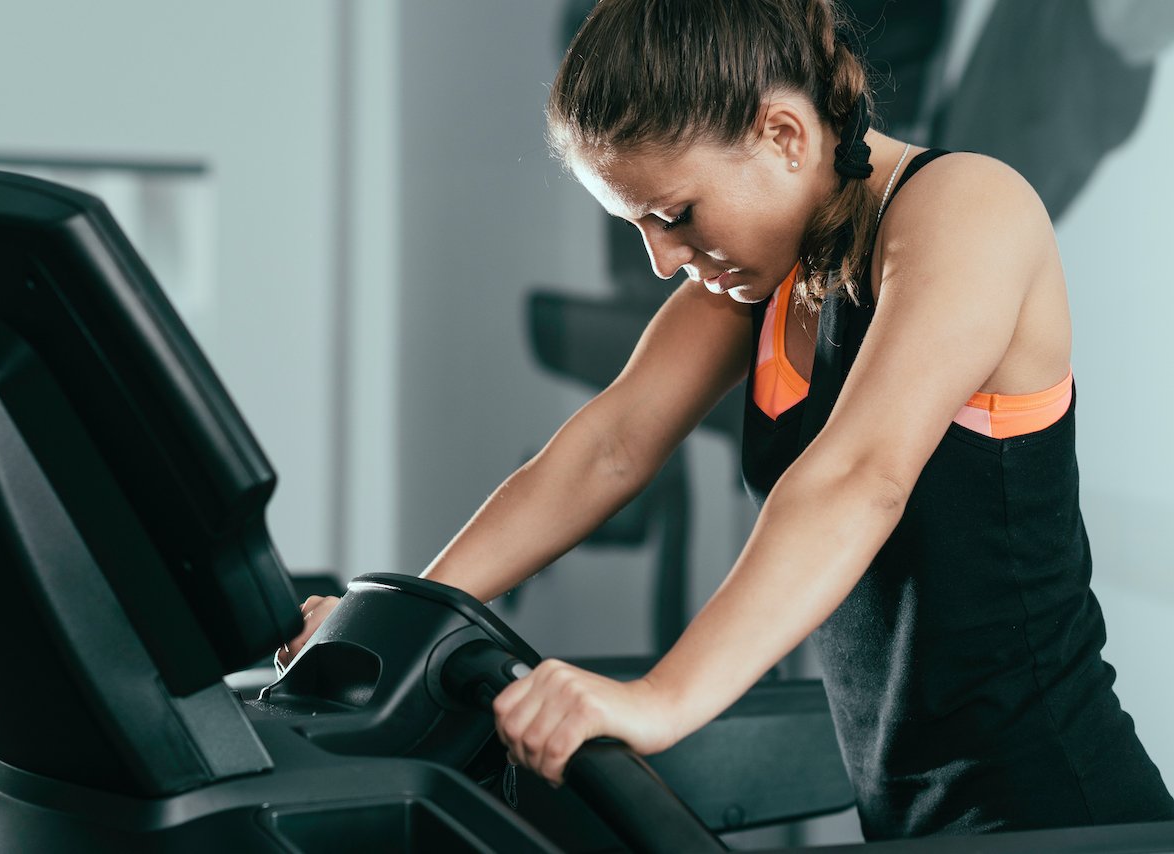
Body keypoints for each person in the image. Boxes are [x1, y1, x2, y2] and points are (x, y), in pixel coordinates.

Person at [279, 0, 1174, 839]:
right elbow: (606, 448)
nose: (664, 260)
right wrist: (392, 620)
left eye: (675, 216)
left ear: (782, 133)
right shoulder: (763, 281)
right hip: (911, 814)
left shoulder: (967, 208)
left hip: (1063, 808)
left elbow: (861, 479)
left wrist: (660, 699)